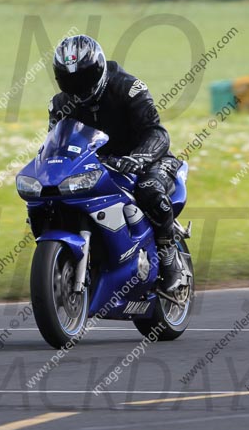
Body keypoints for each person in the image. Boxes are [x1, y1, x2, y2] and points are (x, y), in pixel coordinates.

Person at [48, 34, 184, 293]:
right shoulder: (60, 105)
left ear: (99, 69)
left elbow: (157, 133)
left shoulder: (128, 87)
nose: (78, 86)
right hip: (97, 167)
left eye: (84, 78)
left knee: (149, 190)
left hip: (146, 159)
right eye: (69, 81)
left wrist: (139, 158)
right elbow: (56, 144)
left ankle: (168, 258)